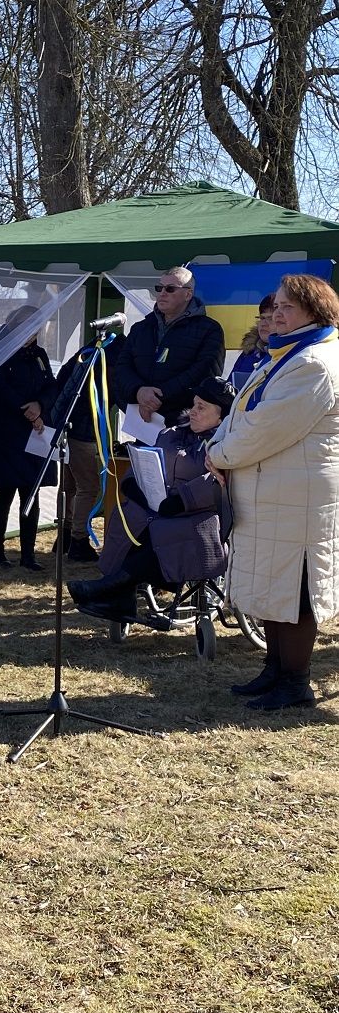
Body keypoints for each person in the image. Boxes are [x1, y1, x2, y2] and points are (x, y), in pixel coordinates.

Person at [206, 274, 339, 710]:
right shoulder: (286, 354)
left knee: (294, 589)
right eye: (275, 307)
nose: (276, 315)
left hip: (299, 496)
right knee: (271, 584)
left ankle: (296, 683)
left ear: (314, 312)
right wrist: (216, 447)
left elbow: (265, 429)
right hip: (273, 491)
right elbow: (239, 414)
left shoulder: (314, 362)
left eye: (286, 308)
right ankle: (275, 669)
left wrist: (219, 454)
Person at [67, 376, 235, 624]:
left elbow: (218, 481)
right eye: (194, 404)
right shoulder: (171, 434)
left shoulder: (225, 446)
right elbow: (145, 460)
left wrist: (182, 500)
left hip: (197, 516)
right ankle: (121, 597)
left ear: (221, 418)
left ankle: (110, 586)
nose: (193, 411)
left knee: (164, 533)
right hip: (156, 509)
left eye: (202, 407)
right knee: (128, 517)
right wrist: (134, 484)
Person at [0, 306, 58, 570]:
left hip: (34, 432)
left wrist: (40, 406)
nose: (31, 334)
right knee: (4, 492)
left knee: (31, 493)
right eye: (26, 328)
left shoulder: (39, 354)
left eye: (36, 329)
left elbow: (51, 385)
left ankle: (28, 555)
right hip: (7, 433)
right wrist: (26, 410)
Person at [115, 266, 225, 426]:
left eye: (170, 288)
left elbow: (205, 373)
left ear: (188, 294)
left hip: (186, 424)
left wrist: (157, 397)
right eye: (159, 288)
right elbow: (122, 367)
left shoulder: (209, 329)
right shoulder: (140, 328)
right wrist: (138, 391)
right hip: (143, 421)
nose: (162, 293)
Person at [50, 331, 126, 562]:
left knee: (69, 486)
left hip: (66, 428)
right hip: (84, 433)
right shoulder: (112, 366)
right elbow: (120, 397)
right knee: (88, 487)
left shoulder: (85, 356)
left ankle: (64, 535)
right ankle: (79, 540)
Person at [227, 294, 274, 392]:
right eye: (262, 318)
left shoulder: (289, 355)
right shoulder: (249, 352)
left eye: (270, 319)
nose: (263, 324)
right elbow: (229, 386)